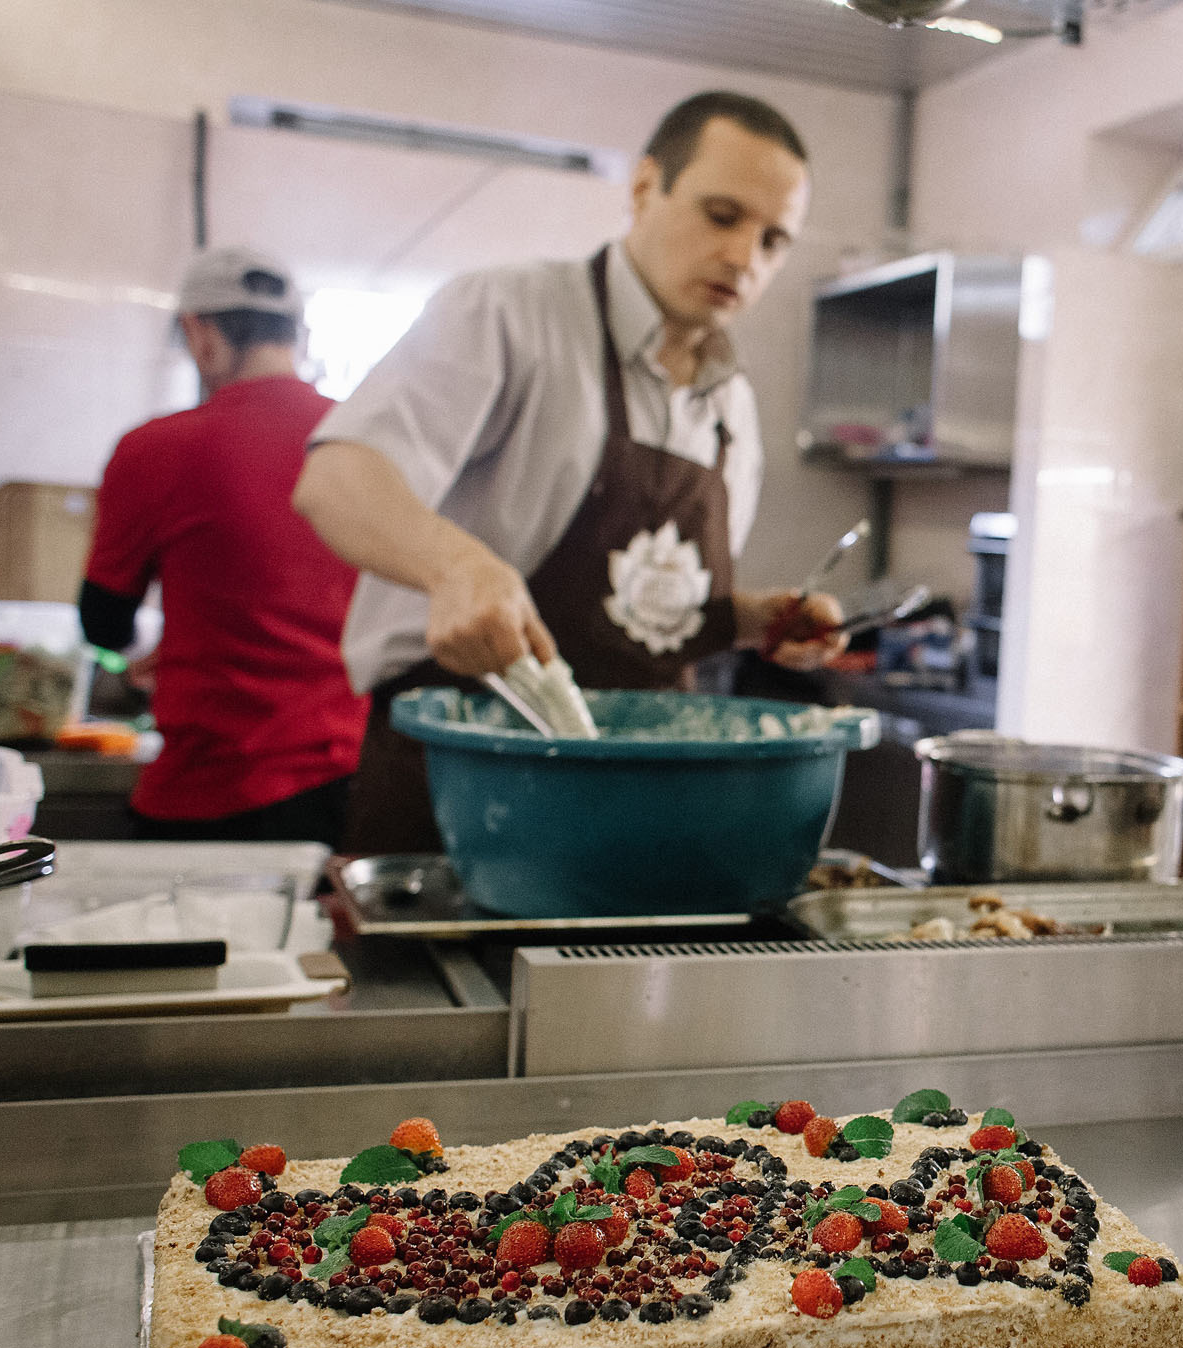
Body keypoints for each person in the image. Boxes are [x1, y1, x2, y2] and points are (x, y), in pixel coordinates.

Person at [293, 92, 843, 856]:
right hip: (464, 798)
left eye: (774, 240)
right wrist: (456, 566)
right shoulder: (510, 312)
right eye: (723, 216)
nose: (745, 257)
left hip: (643, 810)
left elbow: (636, 607)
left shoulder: (732, 407)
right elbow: (338, 476)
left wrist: (754, 619)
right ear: (646, 187)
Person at [79, 248, 366, 845]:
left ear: (199, 333)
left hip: (212, 791)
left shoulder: (156, 448)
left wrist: (145, 653)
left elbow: (103, 622)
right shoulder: (360, 439)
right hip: (349, 789)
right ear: (296, 335)